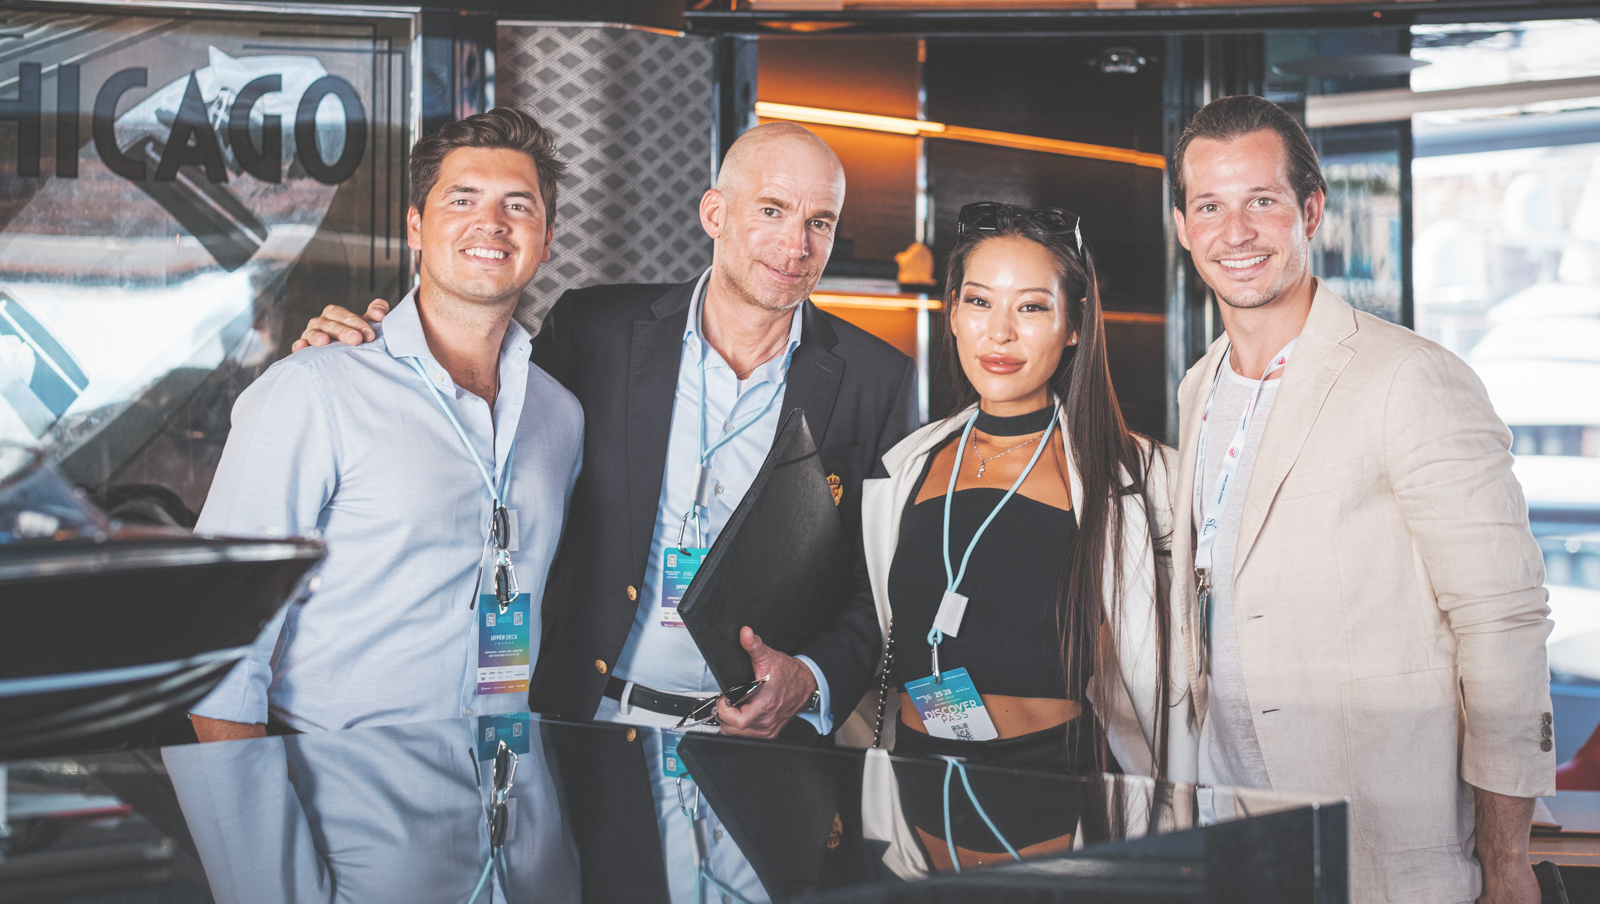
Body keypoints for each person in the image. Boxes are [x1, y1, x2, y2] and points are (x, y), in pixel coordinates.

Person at [297, 121, 917, 902]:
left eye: (819, 221)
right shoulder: (594, 329)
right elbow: (476, 411)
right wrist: (367, 352)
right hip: (582, 738)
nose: (796, 244)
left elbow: (881, 586)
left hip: (762, 765)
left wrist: (814, 678)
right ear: (715, 213)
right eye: (771, 211)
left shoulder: (875, 378)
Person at [1169, 94, 1554, 904]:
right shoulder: (1199, 386)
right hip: (1229, 832)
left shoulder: (1411, 377)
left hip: (1382, 847)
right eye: (1210, 207)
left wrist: (1506, 857)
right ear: (1182, 227)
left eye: (1262, 201)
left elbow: (1502, 623)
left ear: (1311, 210)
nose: (1235, 233)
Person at [189, 108, 583, 740]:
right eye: (462, 199)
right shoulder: (312, 388)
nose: (492, 222)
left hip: (505, 777)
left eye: (518, 205)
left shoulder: (560, 415)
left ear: (547, 237)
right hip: (341, 787)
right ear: (415, 226)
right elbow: (218, 646)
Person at [843, 202, 1195, 797]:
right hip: (915, 785)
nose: (1000, 332)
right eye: (979, 302)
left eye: (1031, 307)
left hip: (1055, 788)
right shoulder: (905, 466)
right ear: (954, 313)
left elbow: (1186, 665)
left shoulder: (1136, 477)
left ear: (1074, 324)